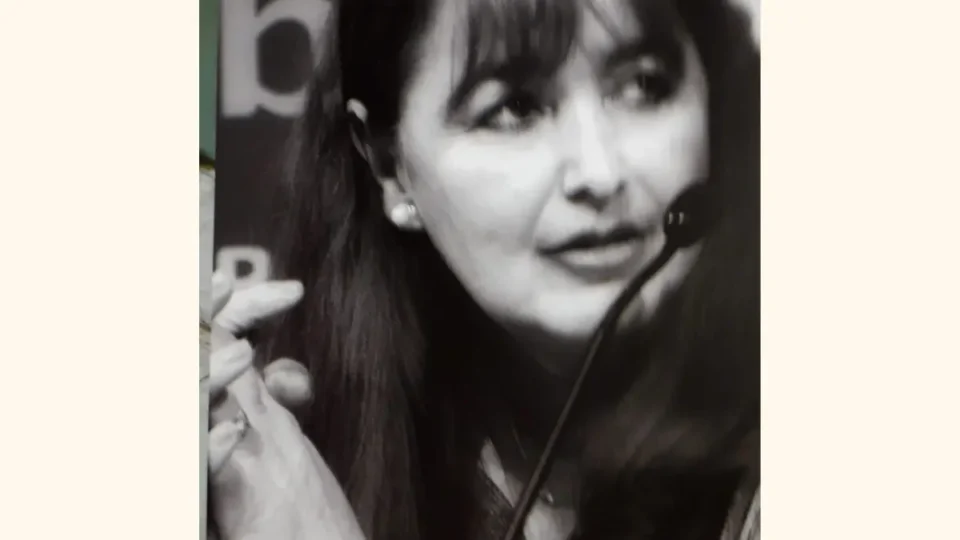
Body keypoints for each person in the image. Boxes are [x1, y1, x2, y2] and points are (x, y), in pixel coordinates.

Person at [206, 0, 760, 538]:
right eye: (515, 108)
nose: (600, 172)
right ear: (388, 164)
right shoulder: (296, 446)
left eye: (644, 85)